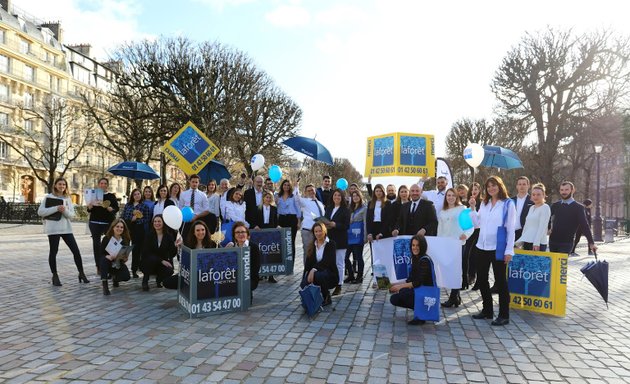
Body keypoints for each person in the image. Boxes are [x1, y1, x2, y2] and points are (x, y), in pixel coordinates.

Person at [469, 176, 516, 326]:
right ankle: (487, 310)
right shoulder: (484, 203)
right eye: (488, 186)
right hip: (481, 246)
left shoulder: (508, 204)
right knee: (482, 279)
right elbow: (477, 224)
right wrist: (472, 208)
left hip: (498, 248)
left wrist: (509, 250)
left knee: (501, 281)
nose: (491, 188)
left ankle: (504, 315)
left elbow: (510, 229)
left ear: (500, 186)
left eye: (494, 185)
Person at [37, 178, 89, 286]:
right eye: (60, 184)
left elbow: (71, 215)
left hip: (66, 229)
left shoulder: (67, 198)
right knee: (53, 252)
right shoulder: (48, 197)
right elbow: (41, 212)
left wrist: (63, 210)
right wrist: (56, 208)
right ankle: (55, 275)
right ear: (55, 185)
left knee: (76, 251)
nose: (62, 186)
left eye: (64, 184)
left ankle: (81, 273)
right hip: (53, 229)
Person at [438, 188, 473, 308]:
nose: (450, 197)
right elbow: (440, 229)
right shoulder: (442, 211)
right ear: (446, 197)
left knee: (456, 270)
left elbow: (470, 226)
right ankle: (456, 297)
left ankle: (454, 296)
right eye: (448, 195)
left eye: (453, 195)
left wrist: (466, 235)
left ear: (457, 197)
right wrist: (439, 242)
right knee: (448, 270)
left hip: (457, 243)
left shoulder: (462, 209)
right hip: (445, 244)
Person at [389, 235, 434, 325]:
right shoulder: (415, 258)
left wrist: (399, 287)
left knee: (403, 292)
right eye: (413, 245)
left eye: (417, 245)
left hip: (426, 294)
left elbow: (418, 283)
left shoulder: (424, 260)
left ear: (422, 246)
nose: (415, 248)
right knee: (394, 299)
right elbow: (410, 279)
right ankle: (419, 309)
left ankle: (422, 315)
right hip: (418, 291)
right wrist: (392, 284)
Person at [549, 182, 597, 254]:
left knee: (561, 265)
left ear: (572, 190)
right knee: (553, 265)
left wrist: (591, 242)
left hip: (567, 243)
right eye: (562, 190)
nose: (563, 192)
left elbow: (585, 225)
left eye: (566, 190)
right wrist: (548, 227)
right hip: (552, 242)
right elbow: (546, 217)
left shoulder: (579, 207)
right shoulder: (555, 205)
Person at [301, 222, 338, 307]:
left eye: (320, 231)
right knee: (304, 283)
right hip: (316, 272)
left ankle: (326, 297)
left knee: (318, 275)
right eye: (316, 232)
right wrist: (304, 278)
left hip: (329, 273)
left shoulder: (331, 244)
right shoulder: (312, 245)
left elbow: (328, 261)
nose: (318, 233)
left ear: (324, 231)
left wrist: (313, 270)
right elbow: (308, 264)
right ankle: (314, 298)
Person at [87, 177, 119, 274]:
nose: (103, 185)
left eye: (105, 183)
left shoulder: (111, 196)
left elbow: (116, 208)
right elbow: (89, 210)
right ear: (98, 184)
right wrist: (89, 207)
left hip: (108, 223)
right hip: (95, 222)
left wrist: (111, 209)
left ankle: (109, 264)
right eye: (101, 183)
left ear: (107, 185)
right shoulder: (94, 195)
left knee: (110, 244)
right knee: (96, 245)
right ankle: (99, 266)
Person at [141, 214, 178, 291]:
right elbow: (146, 252)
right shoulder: (149, 235)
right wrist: (161, 261)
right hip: (150, 261)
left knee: (169, 269)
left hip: (162, 262)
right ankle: (145, 281)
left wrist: (175, 246)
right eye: (155, 221)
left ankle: (159, 280)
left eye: (159, 221)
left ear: (163, 223)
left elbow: (172, 253)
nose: (157, 223)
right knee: (149, 261)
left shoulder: (168, 236)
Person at [324, 189, 350, 296]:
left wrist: (336, 225)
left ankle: (339, 285)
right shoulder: (329, 208)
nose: (337, 197)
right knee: (330, 263)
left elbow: (346, 225)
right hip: (329, 239)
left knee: (339, 263)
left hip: (340, 239)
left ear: (342, 197)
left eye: (339, 195)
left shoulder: (346, 210)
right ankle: (331, 282)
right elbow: (325, 220)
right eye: (335, 195)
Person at [227, 222, 261, 303]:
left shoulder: (254, 247)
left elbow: (256, 267)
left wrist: (243, 278)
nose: (240, 234)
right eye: (237, 232)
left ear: (247, 234)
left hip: (250, 278)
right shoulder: (232, 247)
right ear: (234, 235)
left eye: (243, 232)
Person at [122, 188, 152, 278]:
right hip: (127, 228)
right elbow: (123, 216)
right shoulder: (128, 205)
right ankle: (118, 267)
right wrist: (131, 219)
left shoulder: (144, 206)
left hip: (138, 229)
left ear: (141, 195)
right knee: (124, 248)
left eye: (138, 194)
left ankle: (134, 270)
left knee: (136, 250)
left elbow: (146, 219)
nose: (137, 195)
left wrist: (137, 220)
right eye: (135, 194)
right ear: (132, 196)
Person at [295, 182, 326, 265]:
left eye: (312, 190)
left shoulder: (320, 203)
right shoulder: (304, 201)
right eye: (308, 191)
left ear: (315, 191)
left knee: (318, 251)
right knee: (308, 251)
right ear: (305, 193)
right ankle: (307, 271)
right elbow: (296, 197)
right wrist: (296, 186)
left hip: (319, 231)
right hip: (308, 230)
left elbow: (323, 216)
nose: (311, 192)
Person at [100, 219, 132, 295]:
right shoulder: (106, 238)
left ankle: (115, 278)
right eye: (117, 226)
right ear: (113, 227)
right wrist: (107, 256)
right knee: (104, 260)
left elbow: (125, 255)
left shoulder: (126, 240)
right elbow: (100, 254)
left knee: (126, 277)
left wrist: (125, 258)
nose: (119, 229)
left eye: (122, 227)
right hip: (107, 262)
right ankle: (105, 285)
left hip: (118, 263)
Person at [253, 191, 280, 283]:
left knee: (271, 252)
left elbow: (276, 220)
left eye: (270, 198)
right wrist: (255, 225)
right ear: (263, 198)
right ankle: (261, 274)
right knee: (261, 252)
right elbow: (255, 220)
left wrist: (277, 226)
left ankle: (271, 275)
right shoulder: (258, 208)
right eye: (266, 197)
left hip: (271, 232)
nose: (268, 199)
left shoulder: (274, 208)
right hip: (260, 231)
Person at [516, 183, 551, 251]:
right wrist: (522, 241)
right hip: (527, 242)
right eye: (533, 194)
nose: (535, 197)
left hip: (538, 244)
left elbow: (542, 227)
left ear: (543, 195)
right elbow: (527, 226)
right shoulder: (531, 208)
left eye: (538, 194)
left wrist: (536, 243)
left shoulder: (545, 207)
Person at [276, 179, 300, 266]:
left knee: (291, 242)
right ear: (282, 186)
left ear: (290, 186)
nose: (286, 186)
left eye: (288, 185)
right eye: (284, 185)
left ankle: (290, 264)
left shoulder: (293, 196)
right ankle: (282, 263)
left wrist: (298, 222)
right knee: (282, 242)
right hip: (281, 219)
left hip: (292, 219)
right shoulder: (278, 196)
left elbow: (298, 209)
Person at [345, 190, 367, 284]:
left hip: (359, 235)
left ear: (360, 197)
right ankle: (350, 275)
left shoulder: (364, 208)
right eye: (353, 196)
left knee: (358, 257)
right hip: (349, 235)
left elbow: (366, 222)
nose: (355, 197)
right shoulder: (350, 208)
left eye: (357, 196)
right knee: (345, 257)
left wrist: (365, 236)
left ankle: (359, 276)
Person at [465, 182, 482, 291]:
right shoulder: (466, 203)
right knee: (467, 254)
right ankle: (468, 275)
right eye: (472, 189)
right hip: (468, 232)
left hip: (478, 232)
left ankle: (474, 277)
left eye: (476, 189)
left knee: (475, 255)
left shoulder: (482, 203)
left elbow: (478, 220)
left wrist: (473, 207)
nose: (474, 191)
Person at [512, 176, 533, 241]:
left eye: (524, 184)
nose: (522, 186)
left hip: (526, 233)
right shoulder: (511, 200)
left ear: (528, 186)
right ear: (517, 186)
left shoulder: (533, 200)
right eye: (519, 184)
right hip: (511, 233)